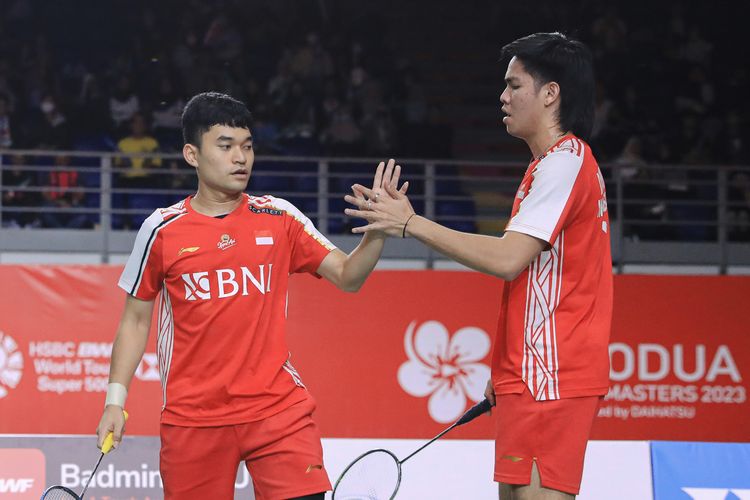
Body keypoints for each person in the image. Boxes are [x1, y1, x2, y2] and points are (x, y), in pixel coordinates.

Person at [96, 91, 406, 500]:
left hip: (277, 410)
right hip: (194, 419)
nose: (240, 158)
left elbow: (348, 276)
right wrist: (115, 401)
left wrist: (378, 234)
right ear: (192, 154)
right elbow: (135, 321)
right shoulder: (162, 230)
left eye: (247, 146)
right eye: (225, 147)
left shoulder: (279, 217)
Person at [345, 33, 612, 499]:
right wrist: (506, 369)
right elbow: (535, 279)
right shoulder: (544, 167)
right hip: (527, 375)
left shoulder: (566, 163)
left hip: (552, 377)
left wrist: (411, 224)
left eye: (514, 85)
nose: (502, 97)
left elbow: (509, 260)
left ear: (551, 94)